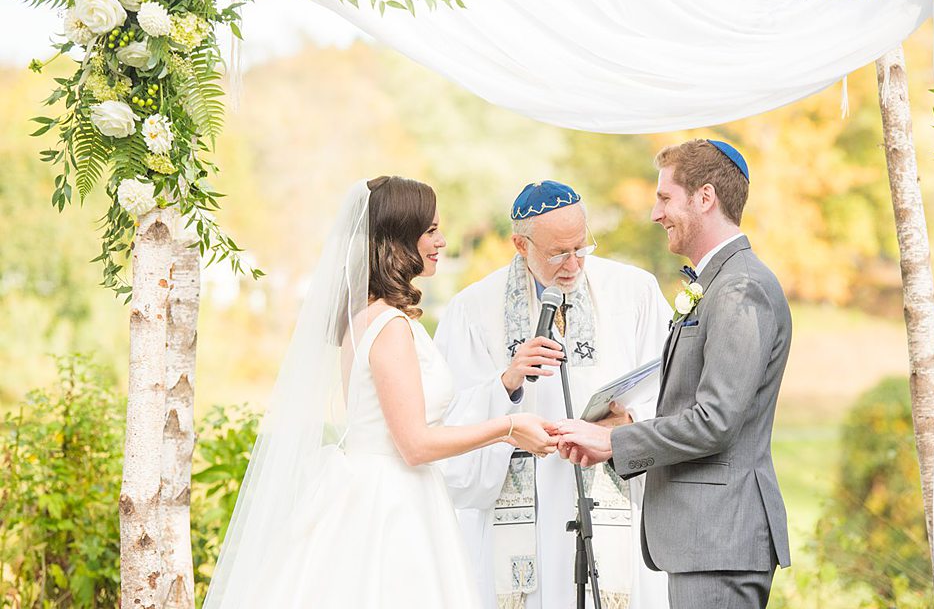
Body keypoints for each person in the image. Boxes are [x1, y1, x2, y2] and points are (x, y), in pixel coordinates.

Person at [202, 177, 558, 609]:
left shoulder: (367, 316)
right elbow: (414, 444)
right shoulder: (389, 327)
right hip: (392, 504)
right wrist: (509, 427)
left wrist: (504, 390)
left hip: (382, 489)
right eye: (430, 231)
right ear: (397, 238)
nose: (442, 241)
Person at [555, 140, 793, 609]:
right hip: (706, 542)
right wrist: (618, 430)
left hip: (720, 540)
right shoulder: (717, 284)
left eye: (665, 198)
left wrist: (615, 444)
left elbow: (716, 421)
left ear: (705, 198)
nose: (654, 213)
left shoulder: (740, 287)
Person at [436, 180, 671, 609]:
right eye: (558, 253)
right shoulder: (473, 309)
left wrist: (628, 423)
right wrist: (505, 383)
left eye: (582, 247)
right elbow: (446, 424)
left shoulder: (634, 293)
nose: (574, 263)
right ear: (520, 245)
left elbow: (673, 388)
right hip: (527, 514)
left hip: (610, 499)